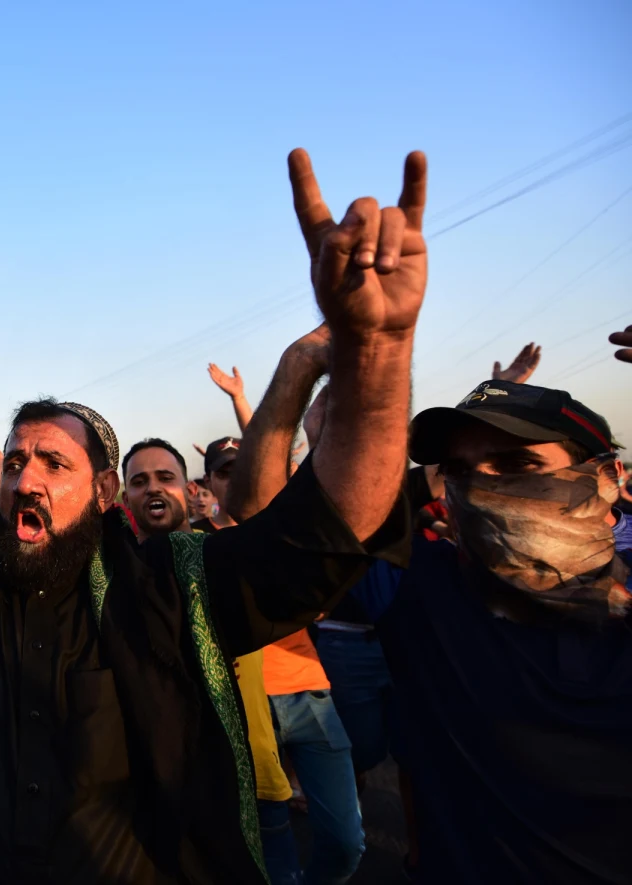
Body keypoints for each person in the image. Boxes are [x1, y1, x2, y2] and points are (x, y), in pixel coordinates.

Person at [0, 145, 427, 883]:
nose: (25, 479)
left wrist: (375, 347)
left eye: (55, 464)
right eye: (17, 461)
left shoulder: (174, 588)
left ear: (105, 493)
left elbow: (331, 532)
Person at [339, 379, 632, 883]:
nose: (481, 486)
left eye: (518, 465)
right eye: (459, 471)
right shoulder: (421, 588)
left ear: (606, 477)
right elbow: (292, 521)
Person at [215, 330, 365, 885]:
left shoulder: (286, 535)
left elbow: (270, 450)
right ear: (210, 484)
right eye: (225, 473)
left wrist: (242, 399)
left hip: (308, 692)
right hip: (239, 705)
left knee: (347, 842)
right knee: (267, 847)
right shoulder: (195, 547)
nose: (240, 478)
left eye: (243, 467)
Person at [120, 438, 297, 884]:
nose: (153, 489)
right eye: (139, 482)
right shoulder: (114, 577)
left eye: (165, 478)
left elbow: (278, 517)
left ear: (189, 489)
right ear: (124, 498)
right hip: (170, 790)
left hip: (255, 773)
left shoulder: (226, 555)